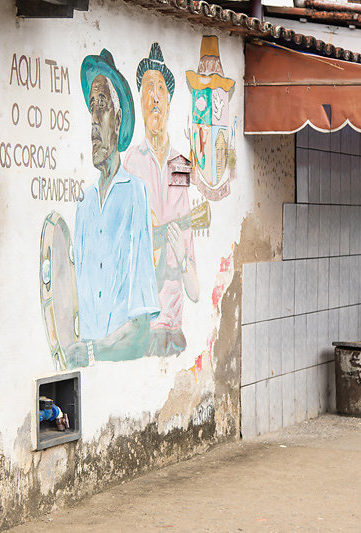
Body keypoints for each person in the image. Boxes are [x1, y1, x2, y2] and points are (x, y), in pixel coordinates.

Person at [66, 49, 160, 367]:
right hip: (83, 365)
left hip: (117, 368)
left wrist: (94, 351)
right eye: (91, 108)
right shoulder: (85, 202)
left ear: (117, 121)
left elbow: (140, 328)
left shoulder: (135, 193)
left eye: (102, 106)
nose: (94, 121)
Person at [124, 42, 199, 358]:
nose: (154, 97)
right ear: (140, 102)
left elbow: (195, 290)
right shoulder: (130, 164)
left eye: (161, 90)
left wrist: (181, 257)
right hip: (140, 329)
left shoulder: (180, 165)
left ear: (169, 101)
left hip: (172, 330)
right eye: (147, 90)